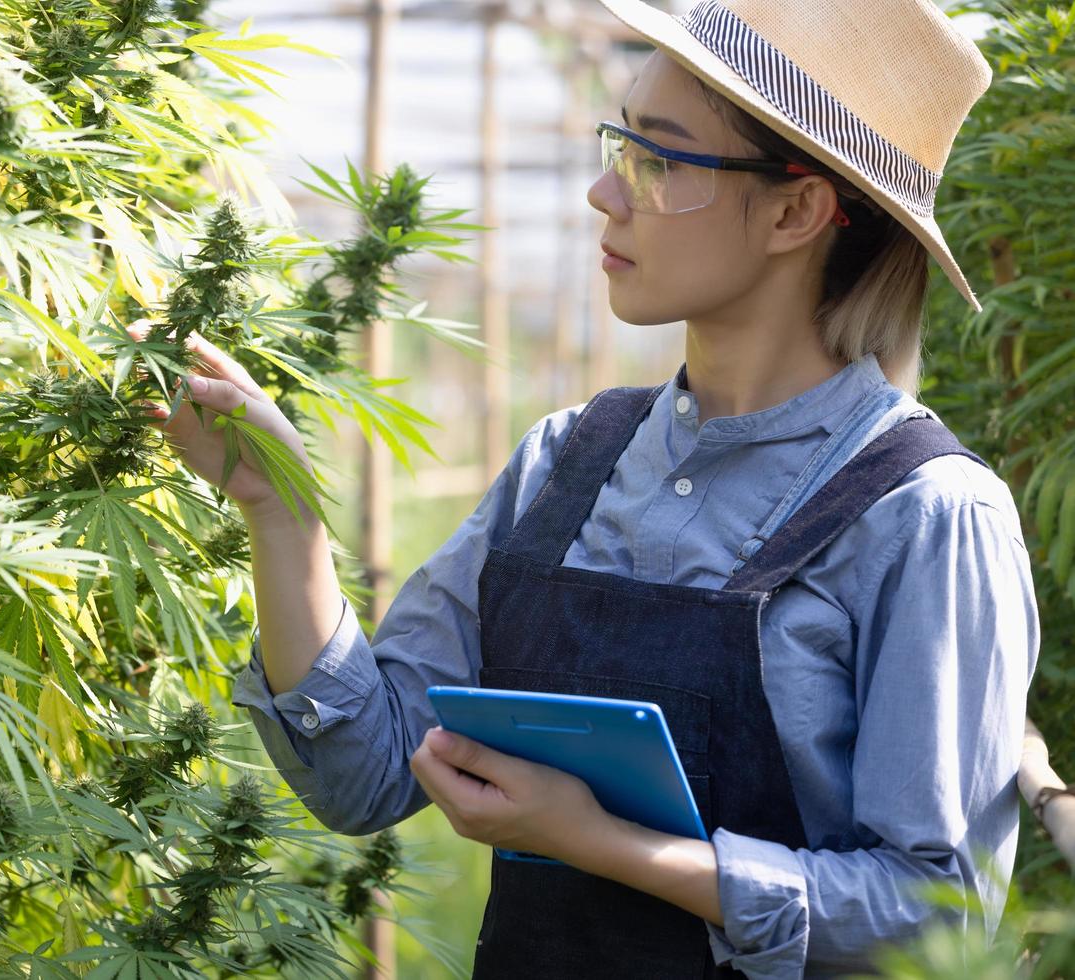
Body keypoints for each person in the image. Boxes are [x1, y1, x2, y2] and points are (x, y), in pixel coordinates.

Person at [134, 0, 1040, 976]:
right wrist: (282, 514)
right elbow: (362, 772)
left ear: (794, 210)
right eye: (621, 144)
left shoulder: (925, 514)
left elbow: (930, 916)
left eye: (660, 159)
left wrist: (606, 842)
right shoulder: (567, 458)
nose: (606, 193)